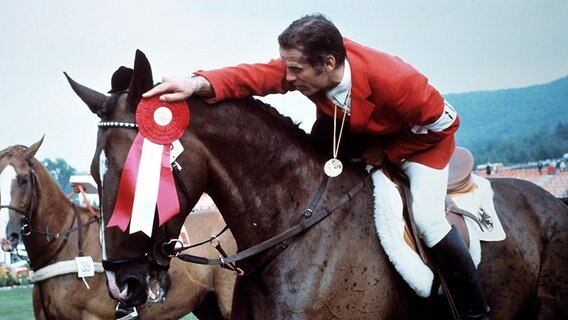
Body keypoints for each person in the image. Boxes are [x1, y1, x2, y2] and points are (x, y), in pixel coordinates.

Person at [143, 13, 490, 319]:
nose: (288, 77)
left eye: (295, 70)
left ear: (327, 64)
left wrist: (387, 153)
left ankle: (474, 311)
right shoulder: (309, 67)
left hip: (420, 145)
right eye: (287, 67)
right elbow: (255, 76)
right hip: (354, 134)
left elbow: (446, 125)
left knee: (429, 221)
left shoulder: (397, 81)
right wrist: (196, 83)